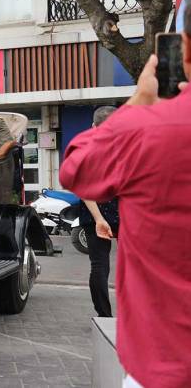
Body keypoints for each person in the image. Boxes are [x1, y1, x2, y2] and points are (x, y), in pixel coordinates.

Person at [59, 4, 191, 387]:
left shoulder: (146, 129)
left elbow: (77, 169)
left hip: (163, 361)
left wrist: (140, 101)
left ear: (180, 48)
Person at [78, 106, 119, 318]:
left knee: (99, 265)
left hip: (93, 213)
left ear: (93, 126)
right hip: (124, 212)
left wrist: (98, 218)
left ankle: (104, 316)